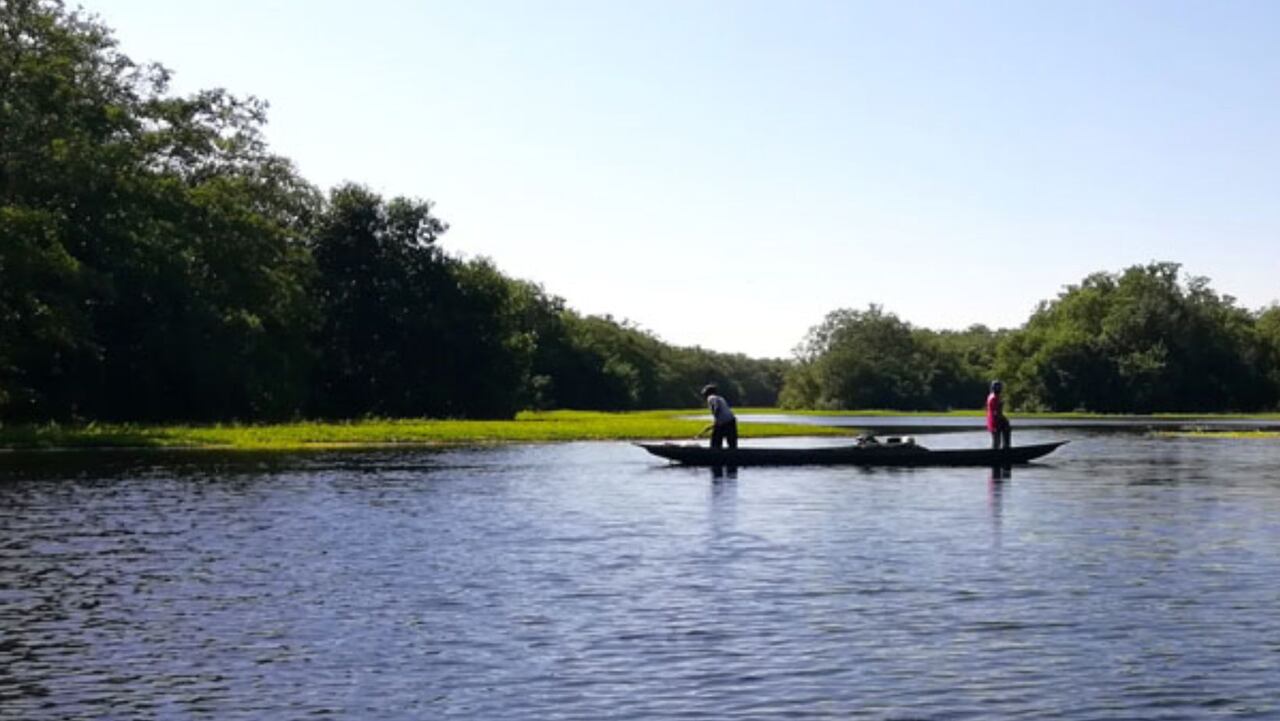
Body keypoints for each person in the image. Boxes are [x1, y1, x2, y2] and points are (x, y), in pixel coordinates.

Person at [698, 384, 738, 449]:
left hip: (724, 423)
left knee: (715, 443)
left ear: (708, 393)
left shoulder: (711, 397)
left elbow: (716, 407)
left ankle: (715, 452)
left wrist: (716, 419)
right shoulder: (721, 398)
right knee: (732, 444)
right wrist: (716, 423)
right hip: (731, 421)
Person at [986, 380, 1012, 449]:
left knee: (1005, 429)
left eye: (999, 387)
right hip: (994, 421)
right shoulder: (994, 398)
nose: (999, 389)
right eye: (998, 387)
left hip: (994, 420)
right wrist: (1003, 419)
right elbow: (996, 412)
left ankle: (1005, 447)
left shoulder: (993, 396)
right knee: (997, 440)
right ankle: (1004, 448)